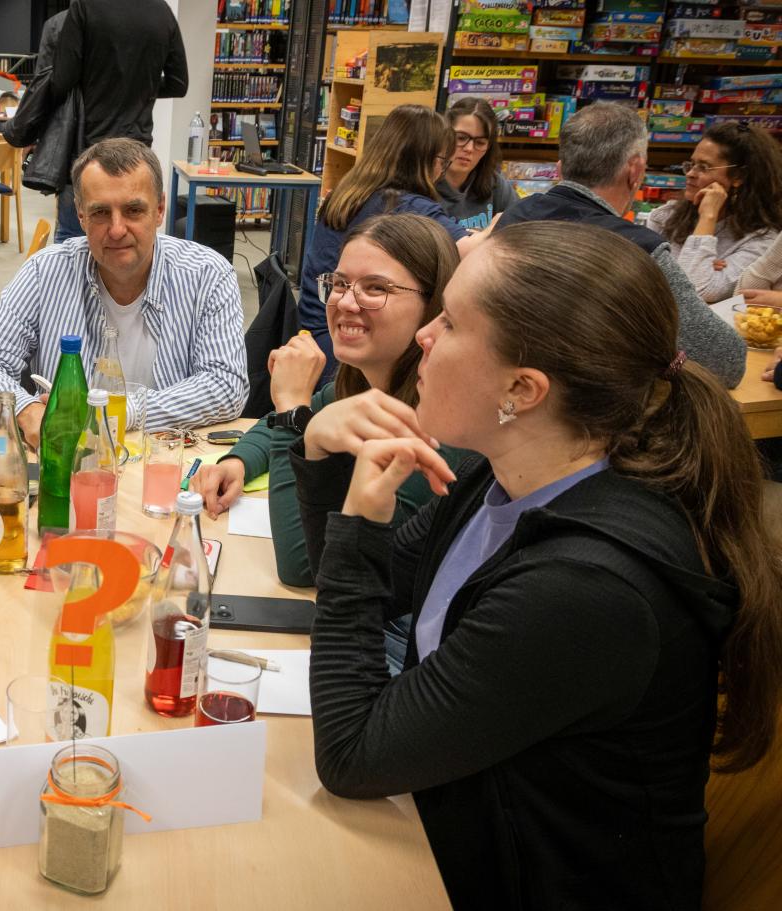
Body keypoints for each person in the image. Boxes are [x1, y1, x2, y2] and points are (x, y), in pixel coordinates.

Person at [301, 220, 782, 909]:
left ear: (523, 390)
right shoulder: (502, 480)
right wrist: (320, 453)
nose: (424, 337)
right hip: (455, 829)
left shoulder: (586, 587)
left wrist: (358, 521)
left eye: (450, 322)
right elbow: (356, 591)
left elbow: (351, 755)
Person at [196, 214, 467, 590]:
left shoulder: (437, 429)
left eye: (375, 288)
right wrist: (238, 461)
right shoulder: (360, 381)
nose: (346, 302)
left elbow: (304, 565)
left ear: (434, 303)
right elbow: (276, 427)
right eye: (340, 283)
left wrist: (292, 408)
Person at [0, 138, 247, 444]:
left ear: (160, 210)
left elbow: (226, 385)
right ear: (81, 215)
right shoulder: (44, 272)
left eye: (133, 210)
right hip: (68, 461)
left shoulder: (207, 275)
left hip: (165, 460)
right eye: (100, 213)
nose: (117, 229)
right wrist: (28, 411)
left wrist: (117, 413)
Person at [496, 101, 746, 388]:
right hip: (591, 405)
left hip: (507, 390)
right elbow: (727, 361)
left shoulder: (515, 216)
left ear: (560, 168)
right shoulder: (637, 248)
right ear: (635, 170)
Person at [296, 104, 468, 382]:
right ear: (425, 160)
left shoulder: (347, 193)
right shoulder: (409, 205)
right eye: (442, 161)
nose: (442, 171)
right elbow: (474, 252)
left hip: (315, 331)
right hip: (341, 353)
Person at [48, 0, 188, 242]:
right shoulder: (162, 11)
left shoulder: (85, 7)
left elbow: (62, 80)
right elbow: (179, 84)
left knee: (73, 239)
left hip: (87, 147)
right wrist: (142, 87)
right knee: (134, 238)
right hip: (137, 150)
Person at [645, 121, 782, 303]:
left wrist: (707, 217)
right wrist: (695, 266)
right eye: (691, 164)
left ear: (739, 176)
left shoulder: (762, 239)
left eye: (704, 167)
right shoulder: (664, 217)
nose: (690, 174)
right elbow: (633, 279)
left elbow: (695, 293)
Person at [435, 97, 516, 231]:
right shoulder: (422, 186)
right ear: (443, 135)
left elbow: (522, 228)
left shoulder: (495, 183)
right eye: (461, 138)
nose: (469, 148)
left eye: (480, 142)